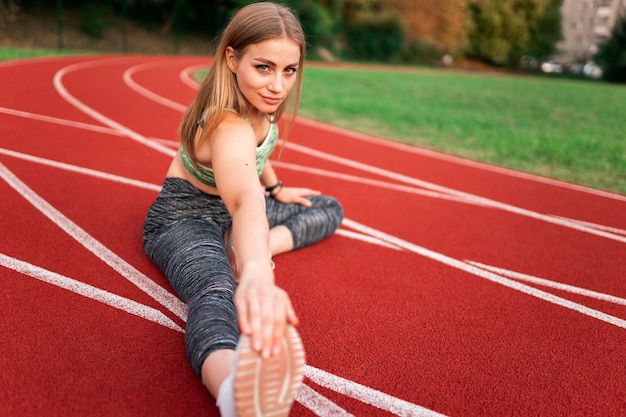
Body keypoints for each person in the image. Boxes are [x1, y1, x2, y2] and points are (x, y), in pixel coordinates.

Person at [142, 2, 344, 416]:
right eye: (264, 67)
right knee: (217, 291)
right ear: (232, 59)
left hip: (234, 218)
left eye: (289, 70)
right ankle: (232, 388)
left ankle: (245, 246)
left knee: (327, 207)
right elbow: (243, 198)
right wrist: (255, 273)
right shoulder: (226, 124)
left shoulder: (261, 107)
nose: (278, 85)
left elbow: (258, 159)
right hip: (185, 218)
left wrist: (278, 188)